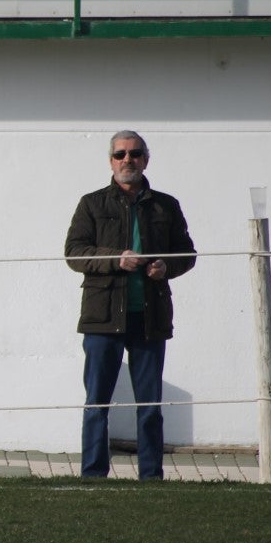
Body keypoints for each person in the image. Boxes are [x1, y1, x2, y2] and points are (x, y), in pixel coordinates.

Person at [64, 130, 195, 480]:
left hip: (150, 318)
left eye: (135, 154)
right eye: (120, 154)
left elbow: (187, 254)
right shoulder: (92, 204)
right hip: (102, 318)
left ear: (145, 160)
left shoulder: (166, 205)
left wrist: (167, 267)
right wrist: (114, 259)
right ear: (110, 161)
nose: (128, 160)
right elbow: (74, 253)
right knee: (97, 403)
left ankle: (151, 476)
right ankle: (93, 474)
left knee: (150, 405)